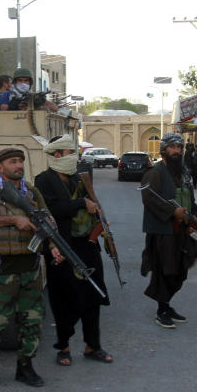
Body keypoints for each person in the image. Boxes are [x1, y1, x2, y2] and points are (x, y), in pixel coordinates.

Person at [0, 147, 64, 387]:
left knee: (32, 321)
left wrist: (54, 245)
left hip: (31, 268)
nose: (19, 166)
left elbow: (47, 220)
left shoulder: (32, 192)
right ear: (1, 167)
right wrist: (13, 219)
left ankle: (25, 367)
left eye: (21, 162)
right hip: (2, 270)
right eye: (13, 162)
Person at [34, 135, 112, 366]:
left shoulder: (79, 179)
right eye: (70, 153)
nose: (74, 157)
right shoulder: (44, 180)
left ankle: (93, 346)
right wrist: (80, 204)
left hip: (87, 244)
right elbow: (48, 211)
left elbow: (93, 204)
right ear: (57, 155)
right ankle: (64, 347)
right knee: (63, 298)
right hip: (60, 245)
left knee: (93, 297)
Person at [140, 133, 197, 329]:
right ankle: (162, 310)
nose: (177, 150)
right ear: (164, 150)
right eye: (172, 147)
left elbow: (189, 197)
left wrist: (195, 214)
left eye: (179, 147)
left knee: (180, 269)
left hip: (181, 232)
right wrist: (172, 211)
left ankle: (167, 304)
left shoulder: (183, 173)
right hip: (163, 232)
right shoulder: (155, 173)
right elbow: (149, 199)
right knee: (165, 271)